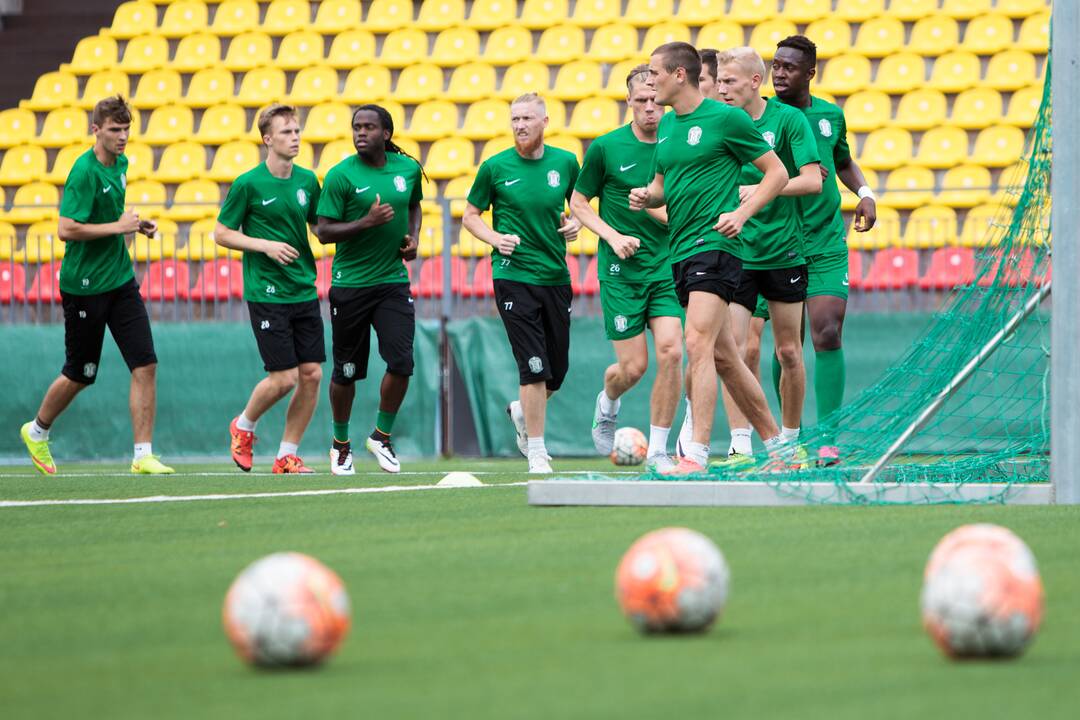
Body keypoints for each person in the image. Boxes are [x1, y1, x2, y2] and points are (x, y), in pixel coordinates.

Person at [629, 42, 788, 474]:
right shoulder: (666, 128)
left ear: (680, 75)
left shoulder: (726, 118)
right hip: (680, 249)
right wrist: (647, 197)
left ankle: (695, 454)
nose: (650, 82)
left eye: (655, 73)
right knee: (725, 359)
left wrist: (742, 213)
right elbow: (662, 185)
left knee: (696, 344)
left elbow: (777, 173)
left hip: (715, 246)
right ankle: (782, 451)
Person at [19, 95, 172, 475]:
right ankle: (37, 431)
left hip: (120, 281)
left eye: (126, 129)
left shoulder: (121, 164)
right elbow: (65, 229)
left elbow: (112, 218)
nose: (122, 137)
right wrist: (119, 227)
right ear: (96, 130)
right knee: (80, 374)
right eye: (115, 130)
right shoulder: (83, 172)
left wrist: (136, 225)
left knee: (146, 363)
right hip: (84, 286)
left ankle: (142, 456)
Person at [570, 65, 683, 473]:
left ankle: (659, 450)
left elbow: (678, 209)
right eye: (641, 102)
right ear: (629, 102)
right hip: (621, 272)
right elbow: (579, 204)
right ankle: (608, 402)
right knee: (634, 368)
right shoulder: (605, 148)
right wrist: (613, 236)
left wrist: (658, 213)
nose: (650, 109)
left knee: (672, 352)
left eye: (656, 100)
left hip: (668, 265)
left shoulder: (677, 141)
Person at [712, 47, 822, 464]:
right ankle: (741, 444)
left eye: (730, 82)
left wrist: (758, 192)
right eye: (719, 81)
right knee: (737, 352)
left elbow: (812, 181)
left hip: (782, 250)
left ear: (754, 82)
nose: (722, 89)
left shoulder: (788, 121)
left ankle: (792, 441)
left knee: (789, 352)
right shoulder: (719, 123)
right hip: (736, 251)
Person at [772, 35, 878, 464]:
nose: (779, 73)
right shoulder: (760, 116)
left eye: (789, 67)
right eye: (775, 65)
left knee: (828, 331)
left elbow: (842, 162)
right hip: (777, 243)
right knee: (786, 346)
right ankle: (785, 437)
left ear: (810, 73)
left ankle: (829, 438)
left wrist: (865, 193)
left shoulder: (830, 116)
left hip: (824, 242)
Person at [463, 93, 582, 474]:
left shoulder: (565, 162)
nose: (520, 126)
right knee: (533, 367)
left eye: (527, 118)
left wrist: (575, 224)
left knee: (556, 372)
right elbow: (470, 216)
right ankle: (536, 451)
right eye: (515, 119)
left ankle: (520, 410)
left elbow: (577, 209)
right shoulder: (494, 167)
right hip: (513, 276)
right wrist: (495, 240)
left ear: (545, 121)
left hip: (555, 276)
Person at [215, 103, 324, 474]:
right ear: (267, 139)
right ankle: (243, 425)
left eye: (297, 131)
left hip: (304, 290)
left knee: (311, 374)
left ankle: (286, 456)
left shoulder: (308, 180)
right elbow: (221, 233)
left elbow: (320, 227)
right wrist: (264, 245)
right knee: (283, 378)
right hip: (267, 293)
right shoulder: (248, 183)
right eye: (286, 132)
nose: (295, 137)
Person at [316, 105, 422, 475]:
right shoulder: (340, 175)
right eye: (356, 127)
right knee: (345, 371)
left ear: (386, 134)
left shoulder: (408, 169)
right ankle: (340, 445)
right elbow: (324, 231)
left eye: (369, 127)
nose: (361, 133)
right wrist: (367, 222)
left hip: (392, 282)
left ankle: (380, 436)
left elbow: (414, 205)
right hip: (350, 286)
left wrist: (414, 239)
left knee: (402, 363)